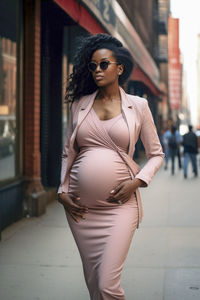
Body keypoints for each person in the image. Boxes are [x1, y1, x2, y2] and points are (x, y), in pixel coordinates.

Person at [57, 33, 164, 300]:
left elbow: (156, 154)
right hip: (82, 212)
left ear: (120, 68)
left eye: (104, 64)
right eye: (93, 66)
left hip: (120, 207)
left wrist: (137, 182)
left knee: (107, 284)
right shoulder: (80, 105)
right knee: (94, 284)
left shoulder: (138, 106)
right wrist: (62, 192)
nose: (97, 70)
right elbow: (67, 153)